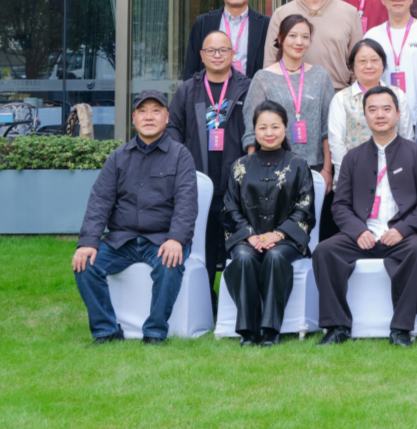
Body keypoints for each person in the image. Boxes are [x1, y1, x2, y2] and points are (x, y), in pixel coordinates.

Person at [314, 86, 417, 347]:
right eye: (372, 109)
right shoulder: (352, 157)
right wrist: (358, 231)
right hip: (363, 235)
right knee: (325, 251)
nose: (380, 114)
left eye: (386, 109)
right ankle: (337, 326)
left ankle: (401, 328)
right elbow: (340, 205)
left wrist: (402, 229)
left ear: (397, 114)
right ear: (365, 115)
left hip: (401, 236)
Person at [73, 90, 198, 344]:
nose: (148, 117)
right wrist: (88, 242)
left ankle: (154, 332)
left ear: (167, 117)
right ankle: (107, 330)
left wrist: (176, 239)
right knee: (85, 263)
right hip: (123, 240)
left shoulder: (180, 155)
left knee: (169, 264)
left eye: (156, 111)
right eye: (142, 111)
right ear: (134, 118)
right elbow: (99, 201)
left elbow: (187, 203)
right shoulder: (118, 157)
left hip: (162, 239)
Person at [221, 101, 317, 346]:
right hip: (246, 239)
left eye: (275, 126)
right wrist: (250, 235)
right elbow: (230, 207)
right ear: (254, 130)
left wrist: (278, 234)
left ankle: (271, 329)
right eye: (262, 127)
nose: (269, 133)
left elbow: (305, 208)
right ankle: (248, 330)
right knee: (243, 258)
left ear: (285, 128)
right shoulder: (240, 166)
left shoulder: (298, 164)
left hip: (286, 240)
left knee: (275, 257)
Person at [167, 30, 250, 307]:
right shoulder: (187, 90)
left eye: (223, 50)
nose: (217, 55)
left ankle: (234, 303)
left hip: (235, 183)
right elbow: (174, 129)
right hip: (198, 183)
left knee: (235, 243)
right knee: (203, 244)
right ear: (201, 56)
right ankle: (205, 301)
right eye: (211, 51)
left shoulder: (246, 87)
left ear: (232, 54)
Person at [244, 15, 336, 196]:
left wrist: (327, 169)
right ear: (280, 39)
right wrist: (253, 170)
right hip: (272, 167)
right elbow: (251, 130)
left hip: (315, 167)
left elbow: (328, 127)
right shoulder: (263, 78)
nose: (299, 42)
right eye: (292, 35)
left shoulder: (321, 76)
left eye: (305, 37)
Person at [263, 0, 360, 91]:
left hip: (338, 94)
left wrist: (354, 97)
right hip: (291, 93)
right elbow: (270, 61)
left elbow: (357, 62)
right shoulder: (281, 14)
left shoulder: (349, 13)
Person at [327, 38, 411, 186]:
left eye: (374, 60)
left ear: (383, 64)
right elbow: (336, 143)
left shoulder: (397, 95)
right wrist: (346, 176)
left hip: (394, 173)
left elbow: (407, 136)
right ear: (352, 65)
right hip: (355, 175)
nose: (369, 66)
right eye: (362, 61)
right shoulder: (341, 99)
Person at [184, 0, 270, 80]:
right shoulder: (203, 23)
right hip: (210, 90)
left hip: (251, 90)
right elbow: (191, 67)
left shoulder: (266, 25)